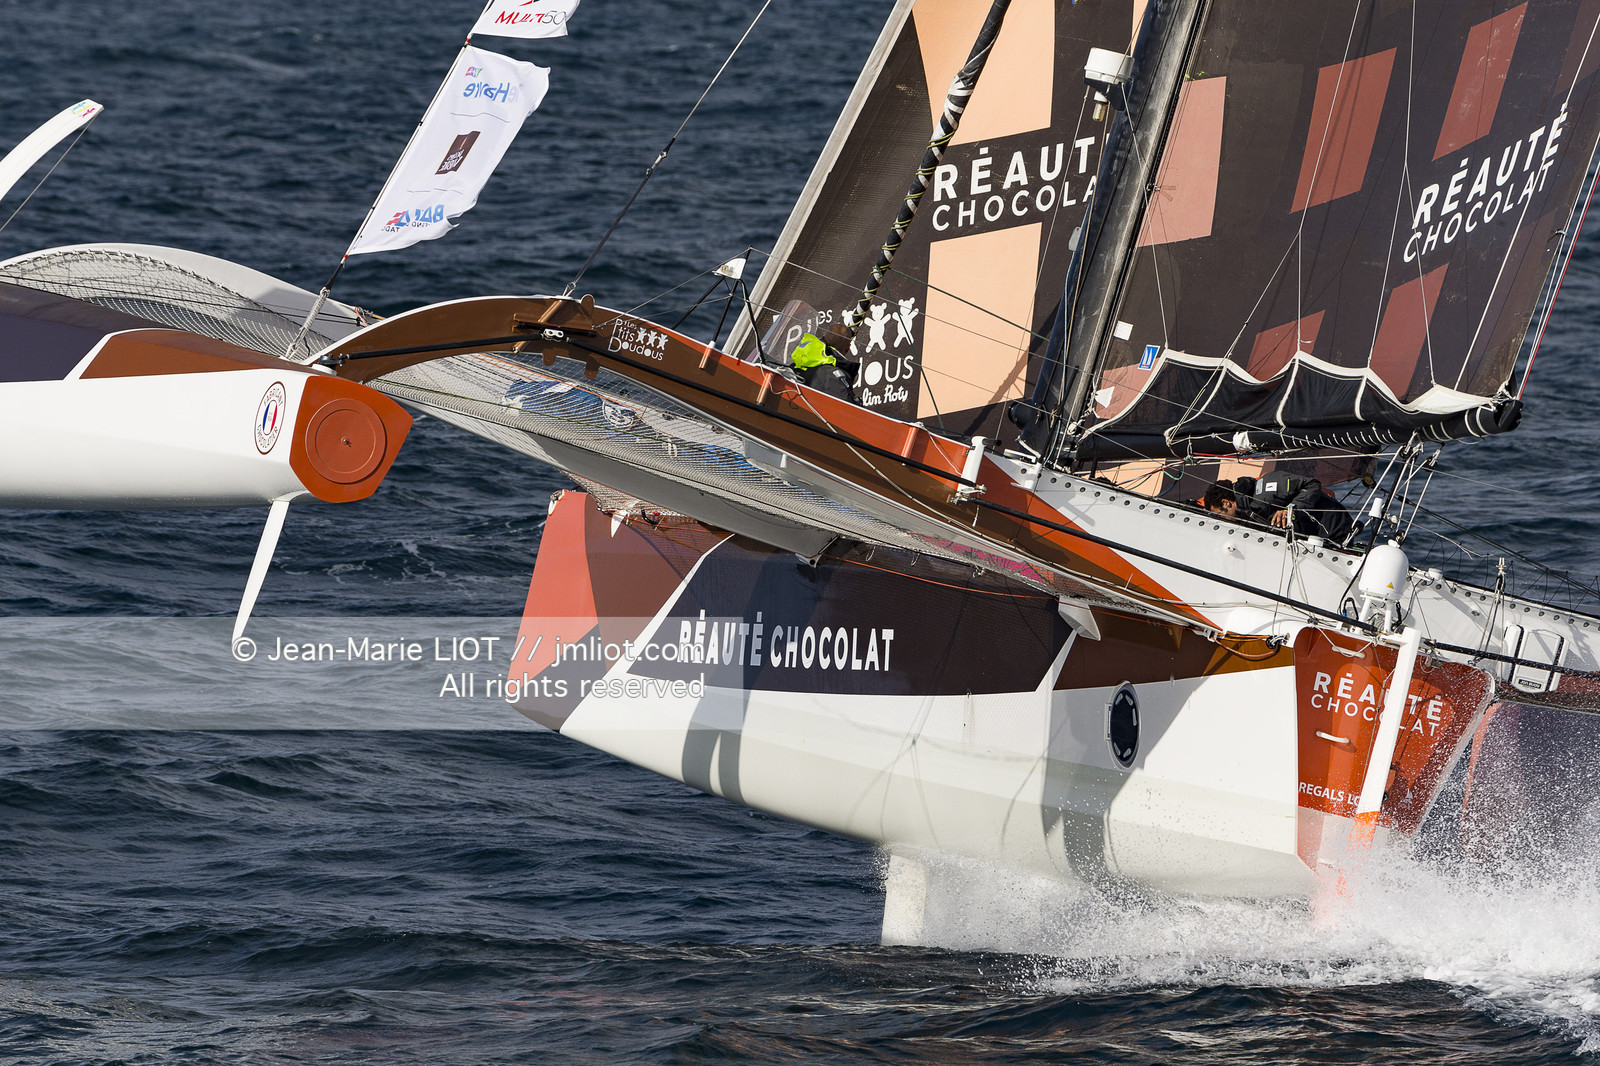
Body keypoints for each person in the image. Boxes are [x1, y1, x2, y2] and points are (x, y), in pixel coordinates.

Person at [1253, 473, 1353, 541]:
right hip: (1307, 537)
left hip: (1333, 526)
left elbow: (1312, 485)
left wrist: (1290, 510)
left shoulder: (1266, 489)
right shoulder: (1246, 508)